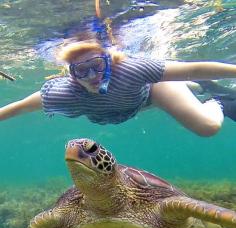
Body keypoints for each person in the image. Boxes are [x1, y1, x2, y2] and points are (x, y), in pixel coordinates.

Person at [1, 40, 236, 137]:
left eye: (97, 66)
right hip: (128, 104)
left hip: (153, 92)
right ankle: (194, 88)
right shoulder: (64, 92)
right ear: (70, 74)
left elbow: (193, 68)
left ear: (109, 61)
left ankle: (217, 102)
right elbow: (18, 108)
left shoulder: (130, 69)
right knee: (191, 85)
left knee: (208, 127)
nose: (92, 76)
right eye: (81, 71)